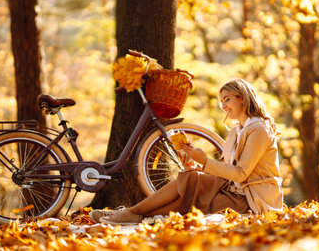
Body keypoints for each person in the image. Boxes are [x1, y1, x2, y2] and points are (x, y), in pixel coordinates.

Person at [91, 78, 284, 225]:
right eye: (221, 102)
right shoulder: (236, 132)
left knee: (194, 197)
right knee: (191, 177)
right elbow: (226, 171)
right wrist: (195, 164)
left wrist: (206, 163)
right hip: (233, 189)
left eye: (227, 99)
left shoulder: (259, 129)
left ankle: (130, 214)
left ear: (242, 97)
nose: (224, 106)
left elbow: (241, 174)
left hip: (252, 199)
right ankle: (130, 213)